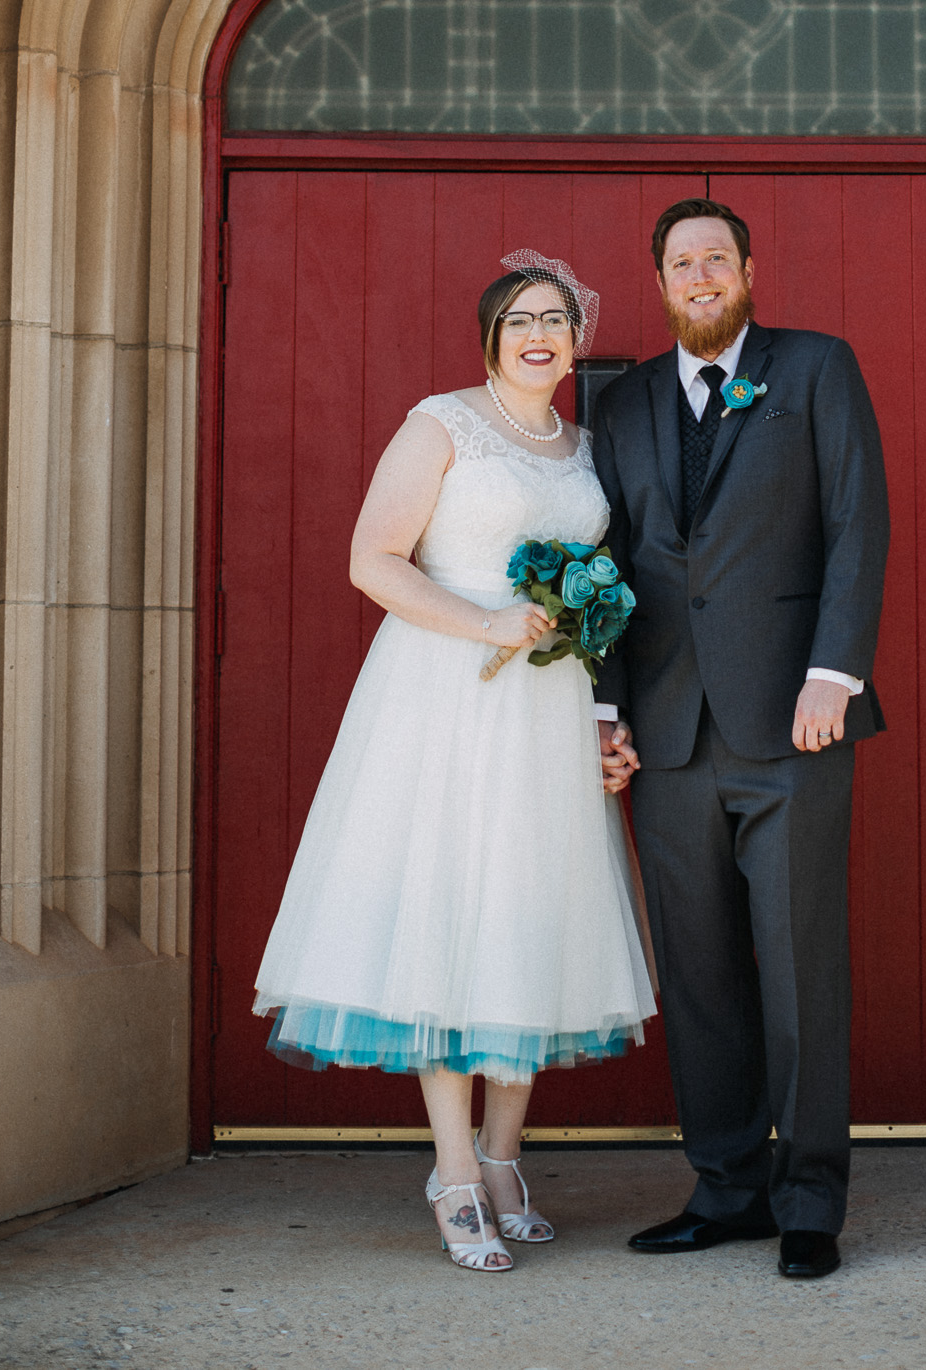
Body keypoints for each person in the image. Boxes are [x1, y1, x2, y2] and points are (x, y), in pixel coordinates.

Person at [253, 251, 656, 1274]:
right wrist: (486, 623)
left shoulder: (585, 447)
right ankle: (455, 1173)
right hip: (442, 695)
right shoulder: (441, 422)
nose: (539, 335)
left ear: (577, 341)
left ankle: (508, 1154)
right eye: (521, 318)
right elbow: (373, 559)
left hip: (550, 703)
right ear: (490, 335)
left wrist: (605, 713)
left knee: (533, 911)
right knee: (450, 914)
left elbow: (601, 600)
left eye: (556, 321)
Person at [591, 199, 889, 1281]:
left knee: (802, 968)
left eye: (719, 256)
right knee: (703, 974)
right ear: (662, 282)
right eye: (682, 261)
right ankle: (728, 1191)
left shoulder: (815, 368)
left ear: (750, 270)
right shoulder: (621, 405)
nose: (702, 274)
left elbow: (860, 518)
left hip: (792, 725)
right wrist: (604, 710)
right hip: (667, 738)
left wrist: (834, 673)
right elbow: (608, 565)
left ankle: (812, 1202)